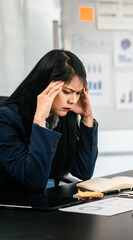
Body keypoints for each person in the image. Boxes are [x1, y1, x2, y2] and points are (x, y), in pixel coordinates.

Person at [0, 49, 98, 195]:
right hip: (14, 209)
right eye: (67, 91)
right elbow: (34, 181)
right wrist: (39, 120)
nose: (73, 100)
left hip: (47, 204)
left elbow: (84, 171)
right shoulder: (6, 119)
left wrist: (87, 118)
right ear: (45, 87)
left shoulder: (62, 117)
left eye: (78, 93)